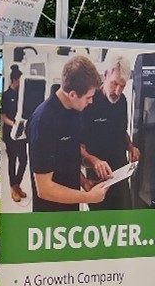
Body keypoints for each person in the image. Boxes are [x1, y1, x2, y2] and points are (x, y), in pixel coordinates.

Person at [27, 55, 111, 212]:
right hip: (49, 218)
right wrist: (89, 197)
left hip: (71, 211)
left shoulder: (74, 110)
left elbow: (67, 153)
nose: (91, 102)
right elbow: (44, 189)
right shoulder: (43, 121)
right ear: (72, 94)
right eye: (88, 97)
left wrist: (88, 170)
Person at [80, 54, 140, 209]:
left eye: (122, 86)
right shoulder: (88, 103)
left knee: (125, 221)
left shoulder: (122, 102)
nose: (118, 91)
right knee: (101, 224)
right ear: (105, 75)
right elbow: (77, 146)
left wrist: (131, 146)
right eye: (114, 84)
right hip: (98, 179)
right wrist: (93, 160)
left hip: (121, 174)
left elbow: (121, 131)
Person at [1, 64, 29, 204]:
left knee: (23, 159)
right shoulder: (6, 96)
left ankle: (17, 184)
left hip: (21, 132)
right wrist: (14, 124)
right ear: (15, 80)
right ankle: (14, 188)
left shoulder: (21, 96)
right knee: (13, 160)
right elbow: (3, 116)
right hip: (10, 132)